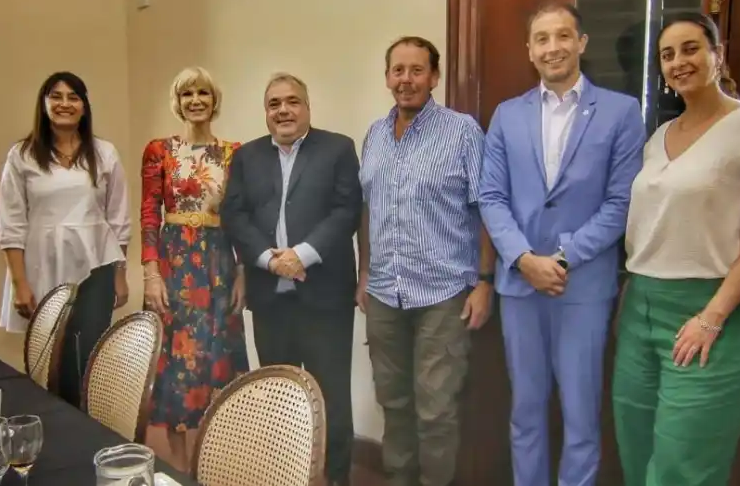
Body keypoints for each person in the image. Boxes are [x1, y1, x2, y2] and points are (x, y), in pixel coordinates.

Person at [614, 12, 740, 486]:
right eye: (667, 55)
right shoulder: (658, 138)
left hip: (713, 310)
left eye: (691, 48)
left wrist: (712, 317)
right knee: (635, 447)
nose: (679, 61)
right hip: (641, 308)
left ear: (718, 54)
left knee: (684, 467)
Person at [479, 2, 646, 486]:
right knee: (525, 410)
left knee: (580, 414)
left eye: (563, 36)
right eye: (542, 39)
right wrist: (523, 258)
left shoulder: (620, 112)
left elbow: (621, 202)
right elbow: (491, 196)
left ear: (581, 43)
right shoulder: (507, 115)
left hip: (583, 286)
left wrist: (563, 257)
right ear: (529, 51)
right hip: (520, 286)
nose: (552, 47)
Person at [357, 36, 495, 486]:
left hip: (443, 295)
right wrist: (364, 273)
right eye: (398, 70)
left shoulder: (462, 132)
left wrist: (485, 281)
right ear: (387, 78)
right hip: (384, 293)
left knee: (436, 410)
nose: (406, 79)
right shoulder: (375, 135)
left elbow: (486, 208)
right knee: (393, 403)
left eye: (417, 70)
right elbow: (367, 209)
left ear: (434, 77)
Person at [221, 72, 361, 486]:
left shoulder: (338, 149)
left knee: (331, 399)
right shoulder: (246, 157)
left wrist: (301, 255)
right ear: (266, 112)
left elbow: (347, 211)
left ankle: (335, 480)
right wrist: (269, 260)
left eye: (292, 101)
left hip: (325, 298)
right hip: (270, 299)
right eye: (274, 104)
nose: (283, 110)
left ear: (307, 107)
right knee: (278, 399)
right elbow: (234, 215)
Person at [0, 71, 131, 408]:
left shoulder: (104, 153)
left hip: (97, 269)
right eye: (56, 96)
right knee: (48, 360)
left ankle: (86, 429)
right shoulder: (22, 155)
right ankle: (50, 428)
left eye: (73, 97)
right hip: (42, 267)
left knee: (87, 360)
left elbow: (118, 219)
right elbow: (11, 223)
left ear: (84, 107)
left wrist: (119, 275)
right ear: (44, 104)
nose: (65, 104)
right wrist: (19, 283)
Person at [140, 66, 249, 473]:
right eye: (187, 94)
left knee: (217, 357)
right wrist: (151, 274)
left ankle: (218, 463)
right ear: (178, 101)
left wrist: (243, 272)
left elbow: (241, 217)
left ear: (214, 100)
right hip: (175, 265)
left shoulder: (235, 153)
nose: (196, 100)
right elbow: (149, 214)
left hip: (219, 264)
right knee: (177, 365)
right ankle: (182, 468)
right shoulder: (159, 150)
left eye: (203, 92)